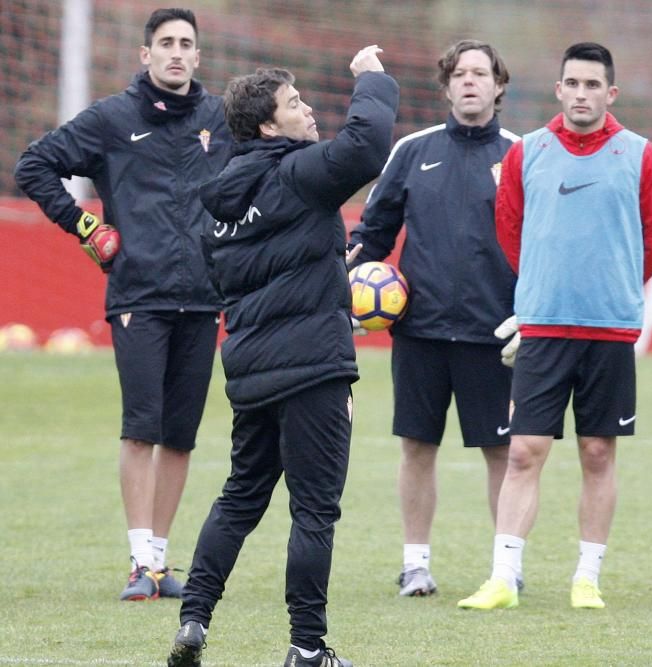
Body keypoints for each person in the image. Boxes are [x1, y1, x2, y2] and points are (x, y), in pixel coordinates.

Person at [165, 47, 398, 667]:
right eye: (295, 104)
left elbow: (249, 278)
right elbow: (369, 142)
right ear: (269, 127)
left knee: (241, 495)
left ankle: (193, 621)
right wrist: (372, 79)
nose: (309, 111)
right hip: (315, 367)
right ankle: (306, 646)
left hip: (251, 367)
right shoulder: (299, 173)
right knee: (315, 509)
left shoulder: (219, 205)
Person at [14, 8, 231, 601]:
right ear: (146, 55)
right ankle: (138, 562)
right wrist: (86, 226)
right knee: (143, 428)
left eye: (187, 43)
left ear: (198, 55)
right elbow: (33, 166)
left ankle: (161, 563)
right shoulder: (113, 118)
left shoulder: (219, 118)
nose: (177, 53)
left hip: (203, 299)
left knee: (181, 437)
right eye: (166, 43)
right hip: (139, 294)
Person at [457, 42, 652, 610]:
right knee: (525, 449)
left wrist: (615, 280)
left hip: (609, 328)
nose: (582, 94)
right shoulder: (528, 153)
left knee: (598, 452)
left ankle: (587, 578)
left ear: (611, 93)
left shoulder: (642, 155)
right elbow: (511, 232)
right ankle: (503, 578)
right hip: (545, 326)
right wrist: (544, 286)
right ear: (559, 90)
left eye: (592, 85)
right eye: (572, 84)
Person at [348, 39, 518, 598]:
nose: (470, 82)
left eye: (481, 73)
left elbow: (542, 242)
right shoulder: (413, 150)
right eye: (460, 74)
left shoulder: (522, 154)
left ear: (498, 85)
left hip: (495, 334)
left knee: (503, 452)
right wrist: (345, 282)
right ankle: (415, 564)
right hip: (418, 331)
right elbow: (372, 234)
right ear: (445, 87)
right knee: (418, 446)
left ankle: (505, 567)